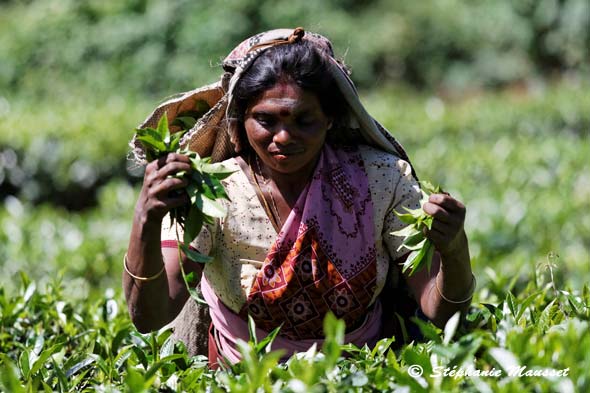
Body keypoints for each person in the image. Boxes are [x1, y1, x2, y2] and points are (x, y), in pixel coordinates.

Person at [124, 28, 475, 367]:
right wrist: (146, 218)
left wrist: (454, 247)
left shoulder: (380, 178)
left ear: (330, 119)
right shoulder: (214, 190)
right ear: (239, 120)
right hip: (243, 377)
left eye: (304, 120)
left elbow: (440, 310)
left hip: (360, 373)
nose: (283, 137)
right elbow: (150, 316)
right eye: (265, 119)